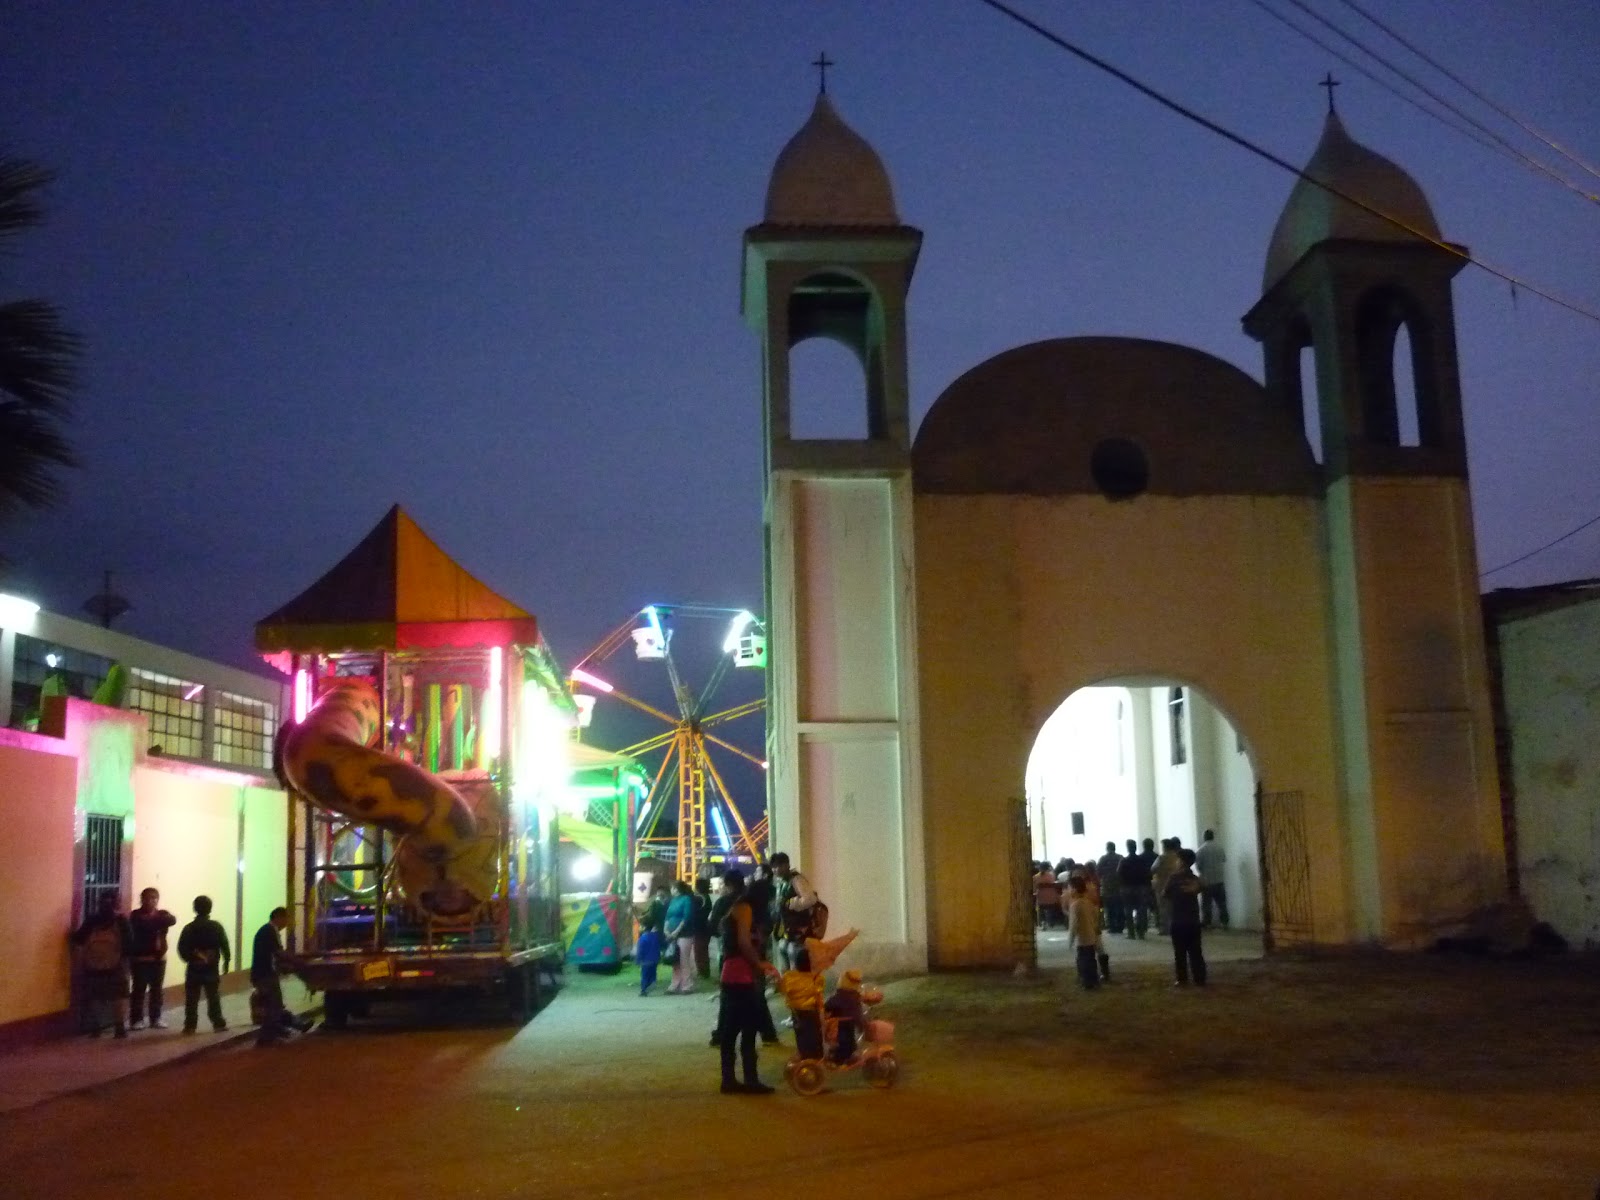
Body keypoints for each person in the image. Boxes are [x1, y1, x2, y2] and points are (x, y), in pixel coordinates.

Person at [715, 868, 775, 1095]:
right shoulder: (745, 909)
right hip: (741, 975)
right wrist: (759, 964)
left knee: (731, 1029)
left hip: (732, 973)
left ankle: (730, 1079)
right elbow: (744, 943)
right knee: (747, 1029)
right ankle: (749, 1080)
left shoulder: (737, 908)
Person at [71, 893, 132, 1038]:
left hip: (93, 964)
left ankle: (96, 1028)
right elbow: (129, 943)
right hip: (116, 964)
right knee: (119, 996)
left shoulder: (92, 920)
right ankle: (119, 1028)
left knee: (95, 996)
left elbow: (78, 938)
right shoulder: (121, 920)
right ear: (117, 903)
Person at [251, 906, 308, 1046]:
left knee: (274, 1005)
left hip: (263, 973)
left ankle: (275, 1033)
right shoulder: (270, 931)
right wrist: (297, 961)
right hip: (265, 974)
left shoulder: (267, 930)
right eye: (286, 919)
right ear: (278, 917)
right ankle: (267, 1038)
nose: (287, 923)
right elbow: (278, 952)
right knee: (273, 1006)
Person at [176, 895, 231, 1032]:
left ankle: (190, 1025)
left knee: (192, 998)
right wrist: (226, 961)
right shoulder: (216, 926)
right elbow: (224, 945)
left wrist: (191, 958)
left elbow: (182, 948)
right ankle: (218, 1022)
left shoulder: (189, 928)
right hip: (211, 967)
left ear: (194, 908)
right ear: (210, 909)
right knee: (213, 996)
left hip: (194, 968)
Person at [126, 887, 175, 1030]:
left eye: (154, 898)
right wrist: (157, 921)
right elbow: (144, 926)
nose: (151, 901)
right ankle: (136, 1020)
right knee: (139, 990)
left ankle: (156, 1018)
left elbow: (172, 920)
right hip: (140, 959)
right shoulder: (135, 916)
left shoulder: (162, 914)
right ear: (142, 900)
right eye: (147, 898)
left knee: (156, 990)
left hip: (158, 959)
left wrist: (158, 919)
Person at [769, 851, 823, 971]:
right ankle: (788, 980)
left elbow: (810, 899)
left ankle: (796, 980)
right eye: (774, 867)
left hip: (801, 928)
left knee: (793, 952)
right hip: (789, 929)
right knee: (783, 947)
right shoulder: (782, 883)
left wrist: (791, 904)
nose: (776, 870)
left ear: (787, 865)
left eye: (779, 866)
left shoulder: (797, 880)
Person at [773, 946, 825, 1060]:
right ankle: (817, 1057)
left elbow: (782, 989)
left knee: (800, 1033)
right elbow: (818, 996)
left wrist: (777, 979)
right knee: (814, 1034)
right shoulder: (817, 978)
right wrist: (822, 1010)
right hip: (811, 1011)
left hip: (796, 1011)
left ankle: (804, 1055)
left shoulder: (789, 976)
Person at [1165, 848, 1208, 986]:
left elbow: (1165, 894)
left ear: (1182, 862)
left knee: (1180, 952)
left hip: (1178, 919)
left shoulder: (1173, 878)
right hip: (1193, 920)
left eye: (1177, 859)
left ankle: (1182, 979)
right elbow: (1203, 886)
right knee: (1196, 951)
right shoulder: (1195, 878)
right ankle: (1200, 978)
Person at [1064, 876, 1101, 990]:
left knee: (1083, 961)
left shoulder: (1075, 905)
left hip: (1082, 939)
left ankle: (1086, 982)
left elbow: (1073, 925)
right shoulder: (1089, 903)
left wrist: (1070, 940)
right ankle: (1094, 980)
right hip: (1091, 937)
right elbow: (1095, 919)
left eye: (1069, 888)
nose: (1068, 891)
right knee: (1091, 960)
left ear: (1074, 889)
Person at [824, 968, 866, 1063]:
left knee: (843, 1043)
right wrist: (861, 1025)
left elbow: (827, 1007)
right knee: (848, 1043)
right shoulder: (855, 999)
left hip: (836, 1027)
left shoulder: (837, 997)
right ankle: (843, 1058)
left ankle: (838, 1057)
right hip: (846, 1026)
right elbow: (857, 1014)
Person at [663, 879, 697, 994]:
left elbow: (686, 917)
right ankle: (675, 984)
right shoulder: (673, 900)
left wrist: (676, 931)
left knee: (684, 960)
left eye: (672, 888)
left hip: (685, 934)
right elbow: (667, 916)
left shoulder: (686, 899)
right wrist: (666, 929)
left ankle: (687, 985)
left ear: (677, 889)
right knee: (675, 960)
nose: (671, 890)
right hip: (672, 934)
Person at [1196, 829, 1230, 928]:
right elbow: (1223, 860)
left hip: (1207, 881)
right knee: (1222, 904)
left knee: (1207, 904)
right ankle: (1224, 923)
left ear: (1204, 837)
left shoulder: (1201, 850)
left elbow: (1198, 866)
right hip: (1219, 879)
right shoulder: (1219, 848)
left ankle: (1208, 923)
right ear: (1213, 836)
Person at [1117, 839, 1149, 939]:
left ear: (1128, 848)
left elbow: (1119, 873)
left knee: (1128, 910)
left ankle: (1131, 933)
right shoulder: (1141, 860)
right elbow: (1147, 873)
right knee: (1140, 910)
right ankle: (1141, 932)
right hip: (1140, 887)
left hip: (1127, 887)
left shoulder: (1124, 860)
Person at [1151, 837, 1182, 935]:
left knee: (1163, 908)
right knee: (1174, 908)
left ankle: (1165, 929)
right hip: (1175, 885)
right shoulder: (1178, 857)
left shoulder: (1161, 857)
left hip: (1162, 885)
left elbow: (1153, 869)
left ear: (1165, 847)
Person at [1097, 841, 1125, 935]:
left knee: (1109, 907)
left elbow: (1098, 871)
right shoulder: (1120, 857)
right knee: (1119, 906)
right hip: (1119, 885)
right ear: (1114, 848)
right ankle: (1120, 926)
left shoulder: (1103, 859)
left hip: (1107, 886)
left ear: (1107, 848)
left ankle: (1112, 927)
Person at [691, 876, 714, 980]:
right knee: (703, 950)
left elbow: (694, 912)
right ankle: (704, 971)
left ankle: (702, 972)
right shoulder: (706, 897)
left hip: (699, 928)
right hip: (705, 927)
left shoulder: (699, 898)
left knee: (699, 951)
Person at [1032, 862, 1061, 930]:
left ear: (1039, 868)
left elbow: (1034, 889)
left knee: (1039, 907)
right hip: (1052, 898)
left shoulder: (1035, 877)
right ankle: (1050, 922)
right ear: (1048, 868)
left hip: (1041, 899)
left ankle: (1042, 922)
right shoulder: (1052, 875)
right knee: (1050, 908)